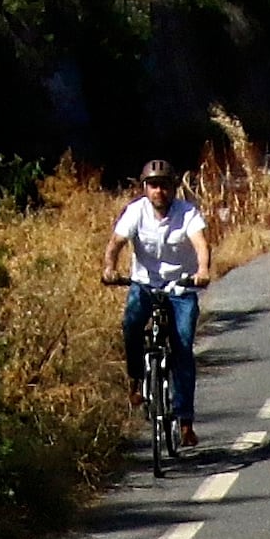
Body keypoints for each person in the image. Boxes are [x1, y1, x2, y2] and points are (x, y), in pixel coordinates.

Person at [107, 163, 212, 448]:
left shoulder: (187, 213)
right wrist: (110, 268)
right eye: (153, 185)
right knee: (131, 324)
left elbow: (201, 243)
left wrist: (202, 270)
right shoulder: (136, 211)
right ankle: (136, 379)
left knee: (182, 347)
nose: (159, 191)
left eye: (164, 185)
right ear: (145, 188)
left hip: (181, 287)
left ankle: (185, 420)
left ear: (173, 188)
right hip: (144, 284)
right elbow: (117, 242)